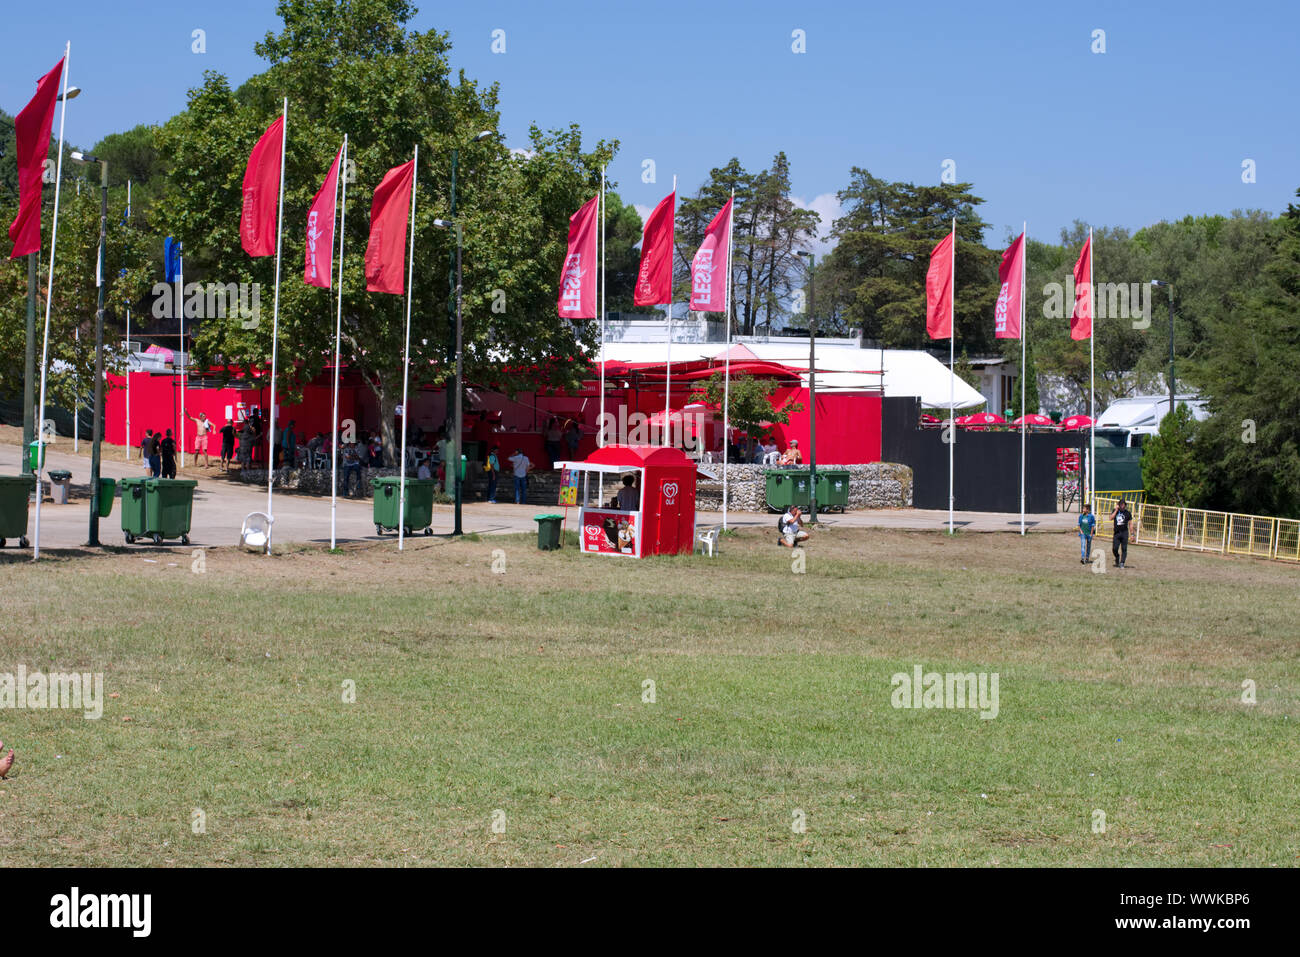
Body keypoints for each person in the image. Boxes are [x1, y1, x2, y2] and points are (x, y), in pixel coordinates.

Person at [1110, 498, 1135, 569]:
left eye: (1123, 504)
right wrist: (1116, 510)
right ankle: (1117, 557)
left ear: (1125, 505)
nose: (1122, 506)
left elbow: (1130, 524)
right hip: (1117, 533)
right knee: (1114, 548)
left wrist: (1132, 534)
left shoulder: (1128, 513)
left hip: (1124, 533)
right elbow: (1111, 518)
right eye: (1120, 504)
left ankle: (1122, 563)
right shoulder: (1115, 511)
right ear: (1118, 505)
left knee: (1124, 548)